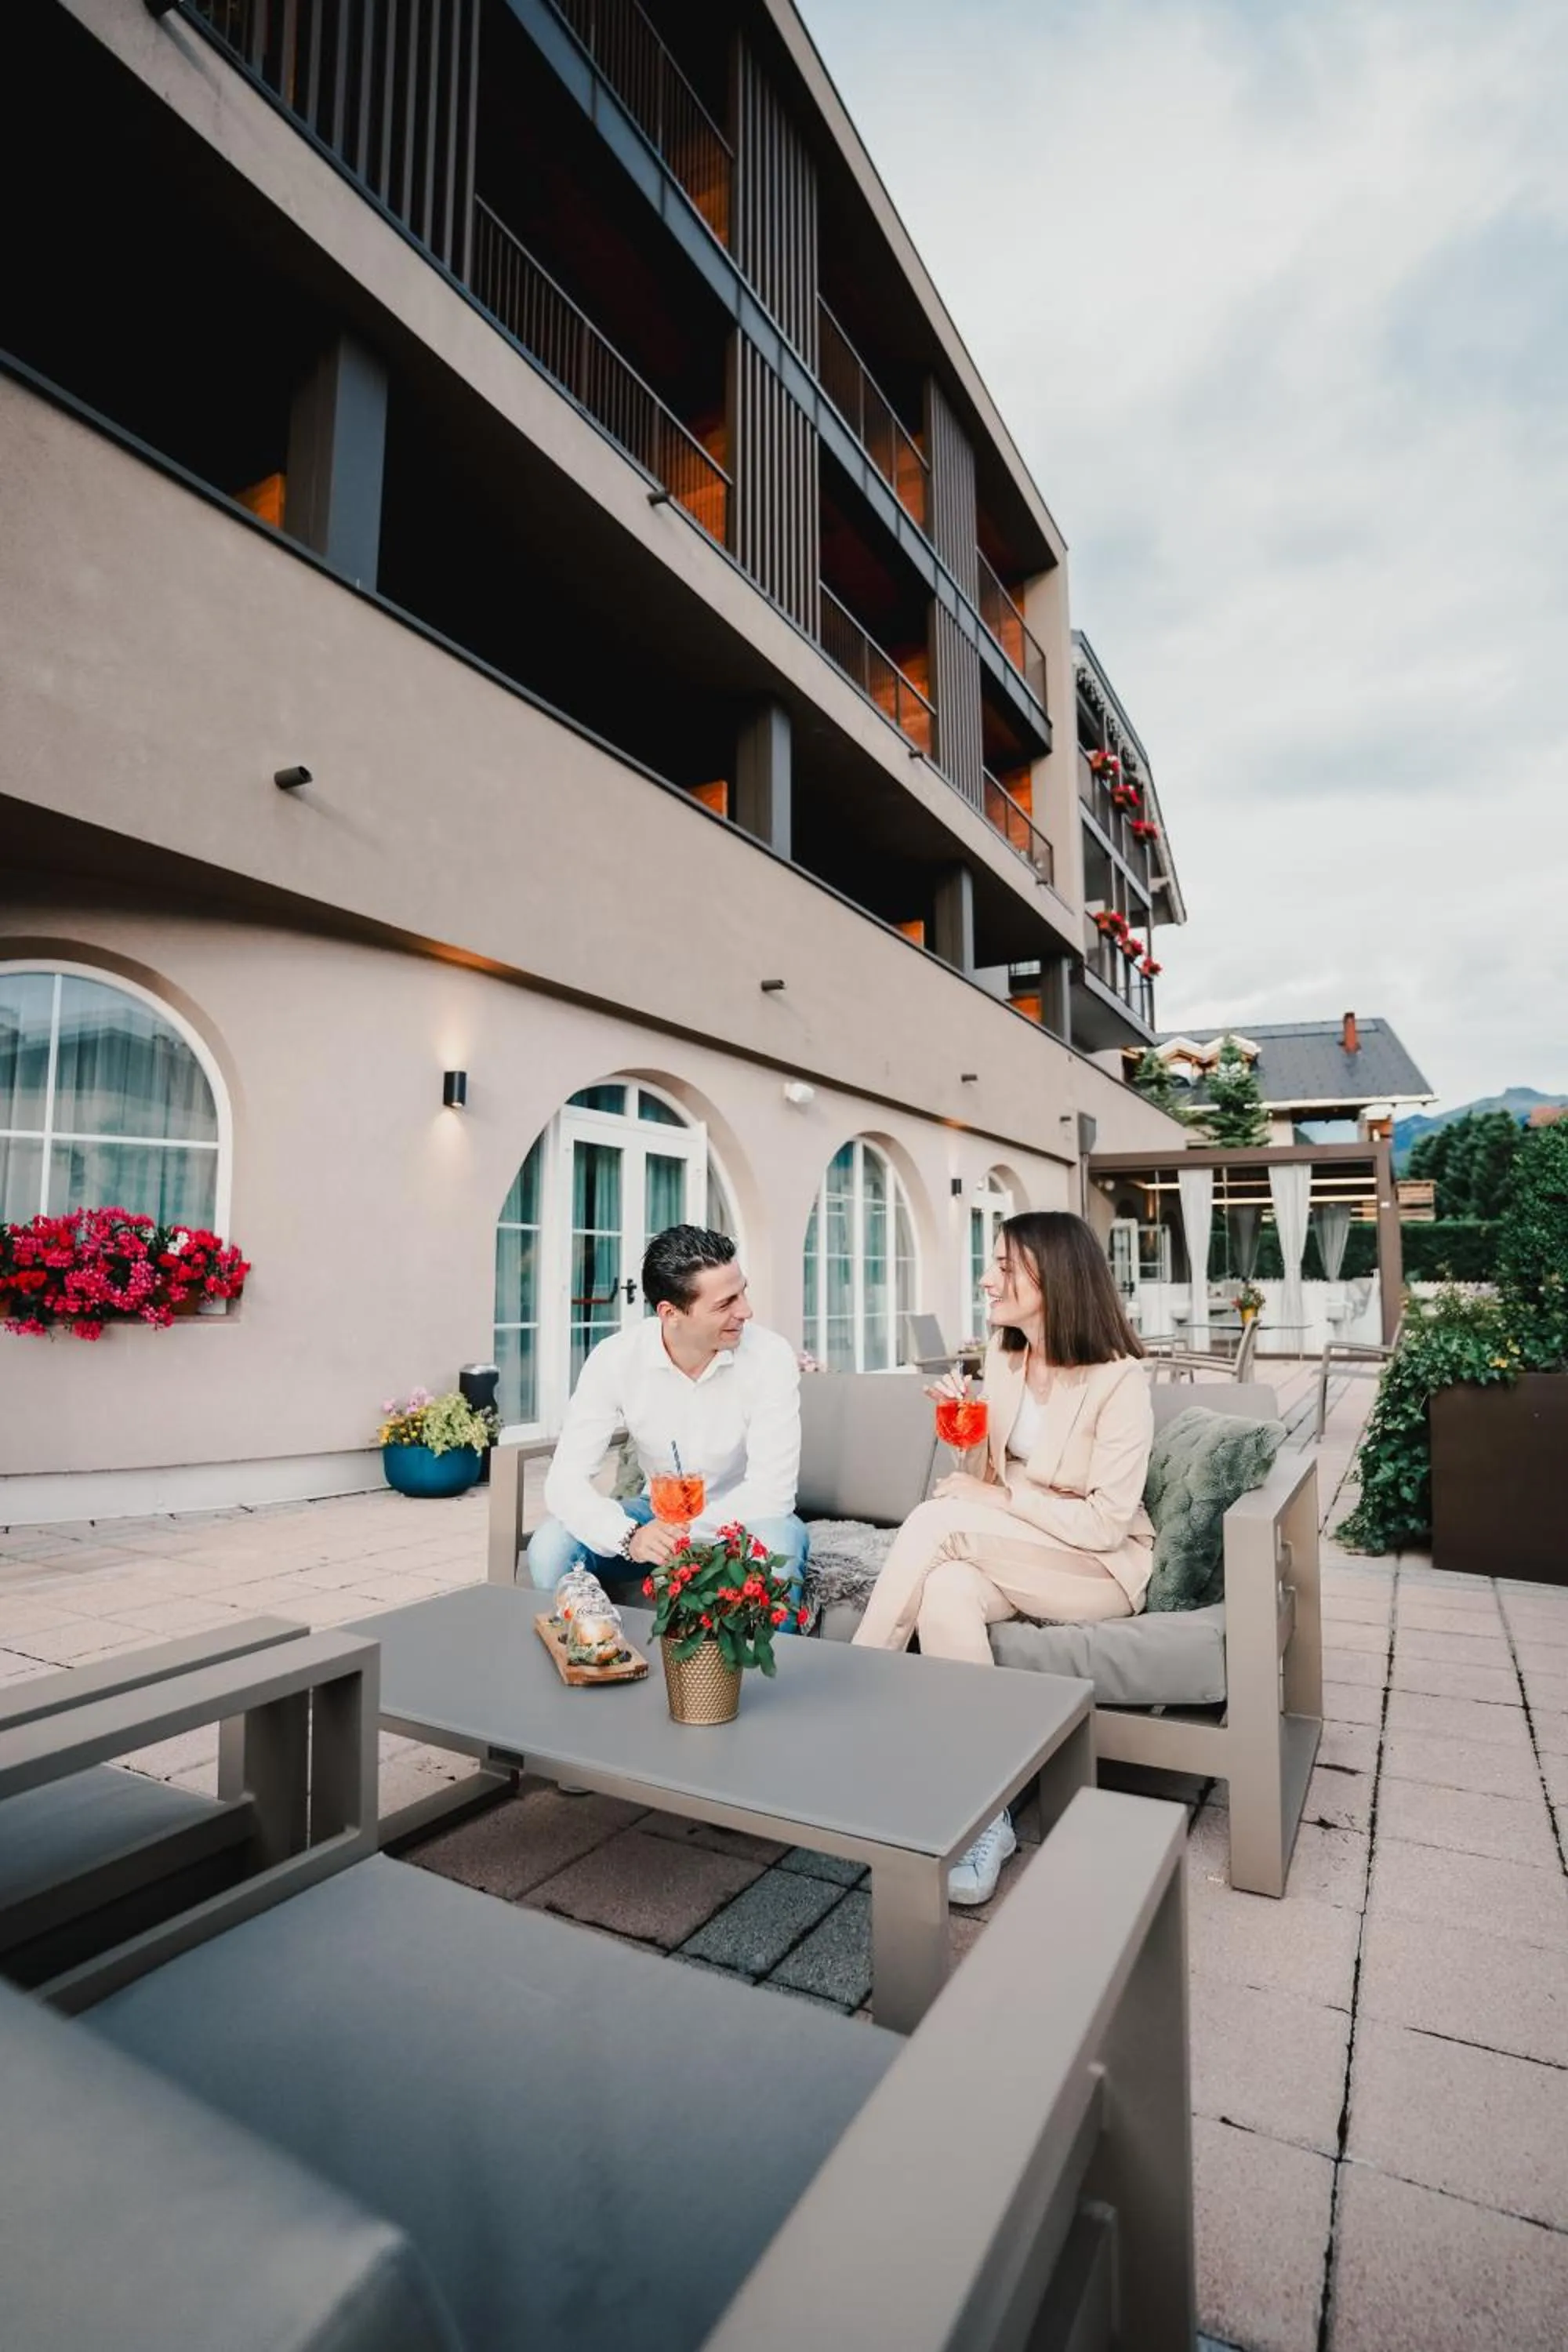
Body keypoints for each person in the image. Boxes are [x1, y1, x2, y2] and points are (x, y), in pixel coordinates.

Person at [854, 1210, 1152, 1904]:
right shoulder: (1006, 1355)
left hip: (1096, 1566)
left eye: (1003, 1267)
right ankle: (987, 1813)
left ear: (1053, 1278)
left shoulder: (1119, 1380)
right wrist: (969, 1427)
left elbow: (1107, 1522)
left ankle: (851, 1700)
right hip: (1020, 1550)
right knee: (948, 1590)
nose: (986, 1281)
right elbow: (988, 1479)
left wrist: (993, 1502)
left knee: (936, 1523)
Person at [527, 1225, 809, 1607]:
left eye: (743, 1291)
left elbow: (772, 1492)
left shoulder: (770, 1356)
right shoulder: (616, 1358)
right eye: (725, 1303)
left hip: (747, 1518)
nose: (746, 1311)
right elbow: (565, 1483)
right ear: (670, 1313)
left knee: (778, 1546)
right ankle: (595, 1657)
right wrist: (630, 1537)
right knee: (549, 1546)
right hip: (656, 1515)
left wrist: (684, 1535)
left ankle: (771, 1668)